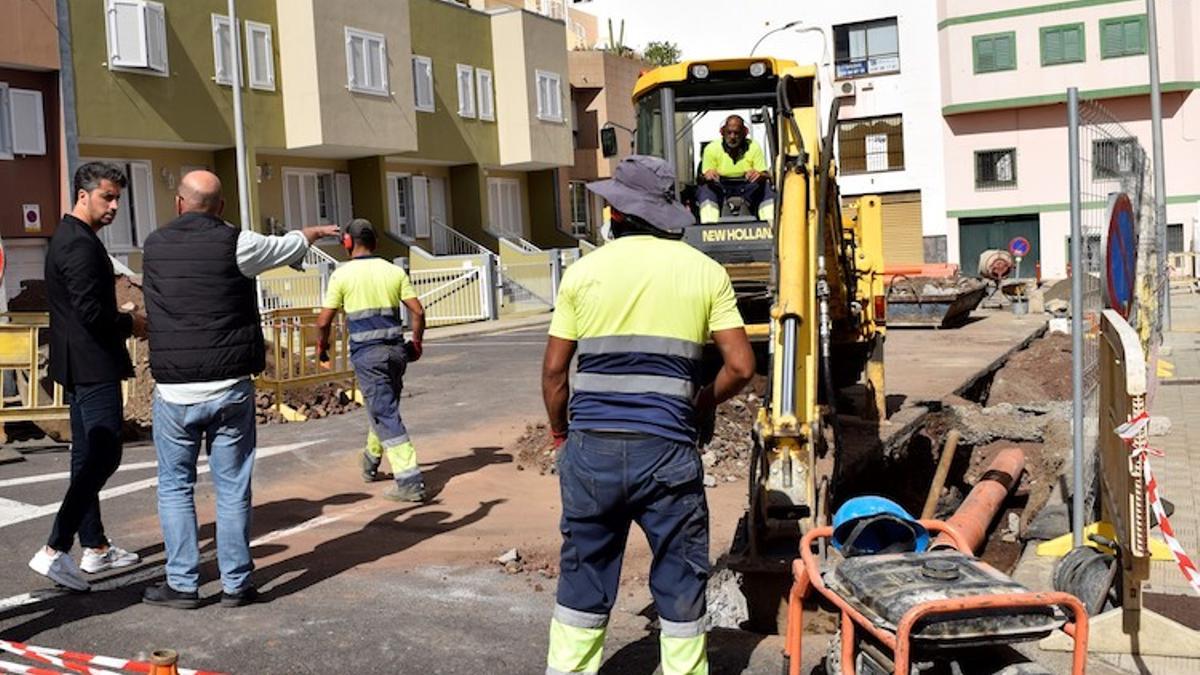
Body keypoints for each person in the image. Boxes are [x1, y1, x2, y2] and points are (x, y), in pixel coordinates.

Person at [542, 155, 756, 675]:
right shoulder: (705, 272)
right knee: (680, 576)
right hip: (667, 451)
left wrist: (561, 435)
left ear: (616, 212)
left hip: (591, 449)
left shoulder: (582, 272)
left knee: (584, 573)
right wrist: (702, 401)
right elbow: (742, 366)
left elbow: (554, 373)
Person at [139, 171, 338, 609]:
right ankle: (236, 584)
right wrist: (313, 232)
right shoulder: (239, 243)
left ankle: (183, 584)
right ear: (221, 207)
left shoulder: (152, 246)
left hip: (175, 390)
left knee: (175, 487)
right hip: (229, 387)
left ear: (178, 204)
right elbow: (288, 245)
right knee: (231, 488)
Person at [29, 162, 148, 592]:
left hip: (78, 363)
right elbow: (91, 313)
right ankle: (55, 549)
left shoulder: (71, 237)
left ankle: (94, 546)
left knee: (86, 456)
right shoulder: (78, 245)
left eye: (117, 198)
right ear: (83, 195)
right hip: (92, 364)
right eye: (107, 197)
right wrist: (130, 323)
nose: (114, 205)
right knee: (103, 456)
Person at [316, 219, 428, 502]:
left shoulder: (341, 276)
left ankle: (409, 480)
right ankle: (370, 460)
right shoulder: (393, 271)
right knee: (384, 406)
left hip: (368, 356)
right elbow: (418, 312)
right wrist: (416, 342)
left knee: (385, 413)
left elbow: (323, 321)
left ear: (348, 244)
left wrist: (322, 348)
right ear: (375, 243)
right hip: (396, 352)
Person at [696, 114, 775, 224]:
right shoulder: (711, 149)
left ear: (745, 132)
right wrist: (707, 176)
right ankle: (709, 226)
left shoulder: (754, 147)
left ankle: (770, 225)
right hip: (720, 189)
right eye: (729, 132)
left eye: (737, 133)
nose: (732, 137)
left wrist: (759, 175)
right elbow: (701, 178)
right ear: (722, 132)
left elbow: (766, 174)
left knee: (765, 187)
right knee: (705, 188)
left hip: (748, 189)